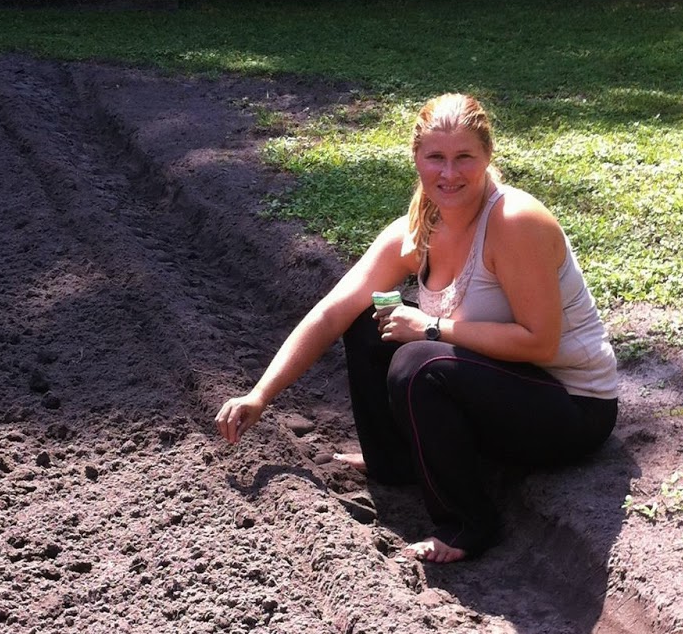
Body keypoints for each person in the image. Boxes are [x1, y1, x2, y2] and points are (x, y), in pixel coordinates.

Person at [216, 93, 618, 562]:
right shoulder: (419, 228)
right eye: (436, 158)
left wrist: (431, 327)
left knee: (419, 361)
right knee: (370, 322)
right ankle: (394, 462)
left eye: (464, 157)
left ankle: (470, 522)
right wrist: (259, 395)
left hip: (571, 407)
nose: (450, 174)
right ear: (417, 160)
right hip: (505, 386)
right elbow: (331, 312)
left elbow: (540, 340)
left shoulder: (514, 220)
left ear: (488, 156)